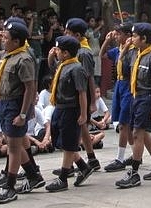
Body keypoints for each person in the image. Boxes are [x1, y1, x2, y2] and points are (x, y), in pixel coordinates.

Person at [0, 21, 44, 203]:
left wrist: (23, 114)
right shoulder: (8, 54)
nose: (3, 40)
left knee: (13, 147)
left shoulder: (24, 58)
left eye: (6, 38)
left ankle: (10, 186)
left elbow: (29, 88)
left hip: (16, 104)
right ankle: (33, 175)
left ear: (16, 41)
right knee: (16, 144)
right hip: (5, 103)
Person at [115, 23, 151, 188]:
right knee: (142, 133)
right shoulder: (135, 54)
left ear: (144, 39)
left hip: (145, 98)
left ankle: (134, 173)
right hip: (134, 96)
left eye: (135, 36)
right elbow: (121, 62)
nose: (131, 39)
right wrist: (125, 48)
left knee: (138, 133)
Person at [45, 36, 92, 192]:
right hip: (60, 107)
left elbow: (82, 93)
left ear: (65, 53)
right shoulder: (63, 65)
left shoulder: (76, 68)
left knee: (68, 143)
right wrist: (50, 57)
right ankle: (83, 167)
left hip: (71, 109)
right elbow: (53, 70)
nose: (56, 52)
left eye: (57, 50)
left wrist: (84, 114)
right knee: (61, 141)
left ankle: (63, 178)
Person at [61, 18, 100, 171]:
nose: (65, 34)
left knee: (76, 128)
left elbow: (89, 77)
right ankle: (91, 158)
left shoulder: (83, 53)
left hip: (81, 95)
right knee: (82, 128)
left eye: (68, 32)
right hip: (77, 94)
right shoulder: (73, 49)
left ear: (77, 35)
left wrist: (92, 102)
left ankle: (70, 164)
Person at [100, 23, 135, 173]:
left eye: (118, 33)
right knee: (124, 125)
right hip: (119, 85)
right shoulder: (117, 49)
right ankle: (135, 154)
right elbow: (102, 55)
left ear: (128, 35)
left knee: (123, 124)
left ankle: (120, 159)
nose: (115, 36)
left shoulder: (133, 51)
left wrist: (127, 47)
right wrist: (107, 41)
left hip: (128, 85)